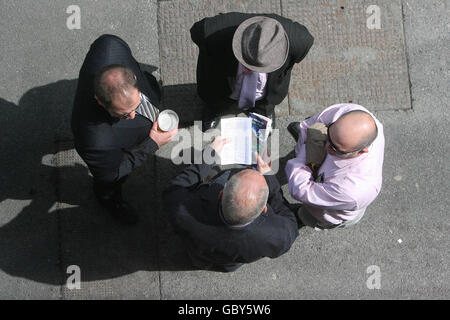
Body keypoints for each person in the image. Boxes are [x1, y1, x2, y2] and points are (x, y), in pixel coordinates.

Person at [71, 34, 178, 225]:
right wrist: (152, 144)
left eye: (136, 107)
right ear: (99, 101)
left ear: (133, 78)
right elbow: (111, 173)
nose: (132, 116)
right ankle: (110, 201)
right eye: (123, 114)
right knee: (108, 185)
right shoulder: (97, 140)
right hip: (110, 158)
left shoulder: (110, 44)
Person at [163, 137, 299, 272]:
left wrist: (209, 155)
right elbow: (289, 219)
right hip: (231, 261)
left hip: (197, 252)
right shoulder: (277, 236)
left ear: (221, 193)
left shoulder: (181, 210)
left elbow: (175, 188)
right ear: (264, 210)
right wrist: (269, 178)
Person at [190, 12, 314, 131]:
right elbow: (196, 31)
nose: (253, 69)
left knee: (265, 104)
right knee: (217, 101)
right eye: (248, 62)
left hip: (266, 93)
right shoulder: (211, 31)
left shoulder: (300, 40)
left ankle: (263, 111)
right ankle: (216, 110)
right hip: (221, 86)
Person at [285, 103, 385, 229]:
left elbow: (300, 189)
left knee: (307, 215)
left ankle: (298, 218)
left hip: (326, 211)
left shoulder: (352, 189)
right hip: (326, 181)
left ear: (362, 151)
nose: (326, 146)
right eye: (328, 134)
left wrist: (307, 152)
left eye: (335, 148)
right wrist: (309, 144)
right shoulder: (352, 112)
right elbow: (314, 123)